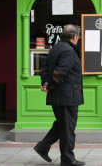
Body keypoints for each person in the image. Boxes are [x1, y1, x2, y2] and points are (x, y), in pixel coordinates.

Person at [34, 24, 85, 166]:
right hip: (67, 96)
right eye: (78, 37)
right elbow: (59, 72)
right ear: (75, 36)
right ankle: (68, 159)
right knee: (68, 128)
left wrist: (46, 82)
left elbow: (44, 68)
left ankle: (43, 146)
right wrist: (49, 85)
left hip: (59, 95)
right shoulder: (69, 50)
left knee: (62, 125)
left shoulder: (55, 47)